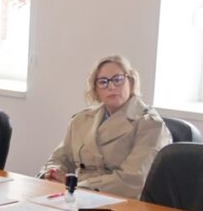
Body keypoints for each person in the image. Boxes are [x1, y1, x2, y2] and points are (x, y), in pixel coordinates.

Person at [39, 55, 171, 199]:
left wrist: (75, 185)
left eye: (118, 80)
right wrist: (52, 173)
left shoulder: (151, 124)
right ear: (95, 89)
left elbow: (132, 181)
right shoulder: (82, 119)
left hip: (122, 202)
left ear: (131, 82)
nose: (111, 87)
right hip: (77, 196)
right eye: (103, 82)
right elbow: (60, 158)